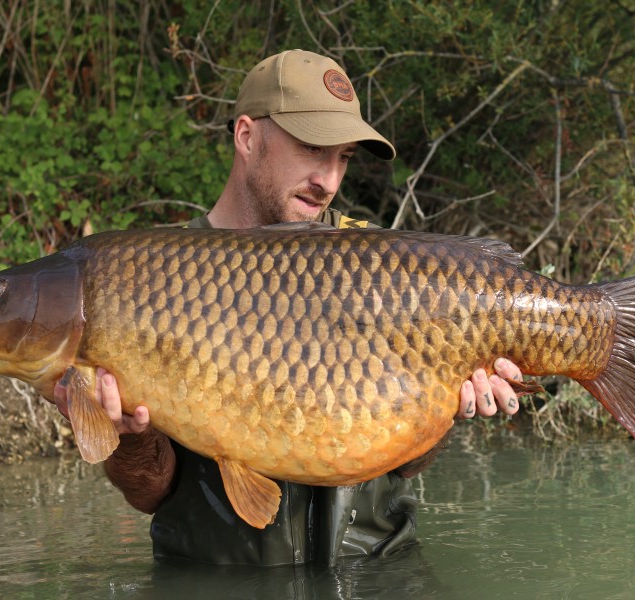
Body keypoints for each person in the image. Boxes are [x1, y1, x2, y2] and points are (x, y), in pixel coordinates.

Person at [54, 50, 523, 566]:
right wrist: (130, 439)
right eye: (312, 148)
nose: (330, 180)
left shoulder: (381, 268)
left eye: (343, 156)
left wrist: (450, 406)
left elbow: (406, 466)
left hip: (375, 575)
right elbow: (150, 494)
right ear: (247, 137)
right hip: (217, 582)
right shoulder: (153, 277)